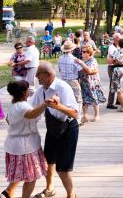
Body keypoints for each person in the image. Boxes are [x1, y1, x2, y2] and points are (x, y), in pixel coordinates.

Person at [30, 62, 79, 198]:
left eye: (39, 75)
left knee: (63, 168)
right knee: (48, 161)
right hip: (53, 128)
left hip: (68, 128)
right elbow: (31, 108)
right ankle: (49, 189)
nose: (36, 77)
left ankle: (71, 195)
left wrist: (59, 107)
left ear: (49, 75)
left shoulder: (63, 88)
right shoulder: (41, 90)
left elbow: (75, 113)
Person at [0, 80, 48, 198]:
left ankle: (8, 192)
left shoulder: (14, 104)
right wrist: (45, 104)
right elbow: (31, 114)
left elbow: (8, 120)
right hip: (26, 146)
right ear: (25, 92)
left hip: (14, 144)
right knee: (31, 176)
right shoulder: (23, 106)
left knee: (20, 172)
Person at [76, 45, 106, 123]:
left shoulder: (92, 60)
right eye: (82, 51)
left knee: (94, 98)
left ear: (89, 53)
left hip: (92, 83)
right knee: (84, 99)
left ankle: (97, 115)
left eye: (84, 52)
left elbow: (89, 71)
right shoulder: (83, 60)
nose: (82, 53)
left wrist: (81, 64)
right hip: (83, 82)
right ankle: (85, 115)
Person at [58, 41, 83, 124]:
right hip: (73, 80)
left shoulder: (60, 58)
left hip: (64, 81)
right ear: (72, 50)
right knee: (78, 99)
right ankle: (78, 118)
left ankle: (66, 116)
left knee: (66, 99)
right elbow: (81, 70)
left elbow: (60, 70)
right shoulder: (74, 59)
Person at [106, 33, 121, 109]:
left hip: (117, 67)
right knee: (113, 85)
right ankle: (110, 103)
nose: (120, 40)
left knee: (119, 83)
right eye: (119, 39)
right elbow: (114, 58)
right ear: (115, 39)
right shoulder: (111, 47)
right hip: (112, 67)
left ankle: (118, 100)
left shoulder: (118, 46)